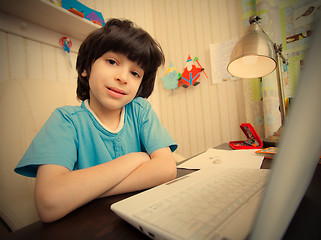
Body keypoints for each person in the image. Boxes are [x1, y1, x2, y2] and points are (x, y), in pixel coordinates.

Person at [14, 18, 178, 223]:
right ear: (86, 68)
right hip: (89, 225)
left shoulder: (140, 111)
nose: (123, 77)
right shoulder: (66, 120)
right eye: (112, 62)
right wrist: (135, 159)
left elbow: (166, 168)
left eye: (135, 73)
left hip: (142, 216)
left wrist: (84, 191)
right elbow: (50, 202)